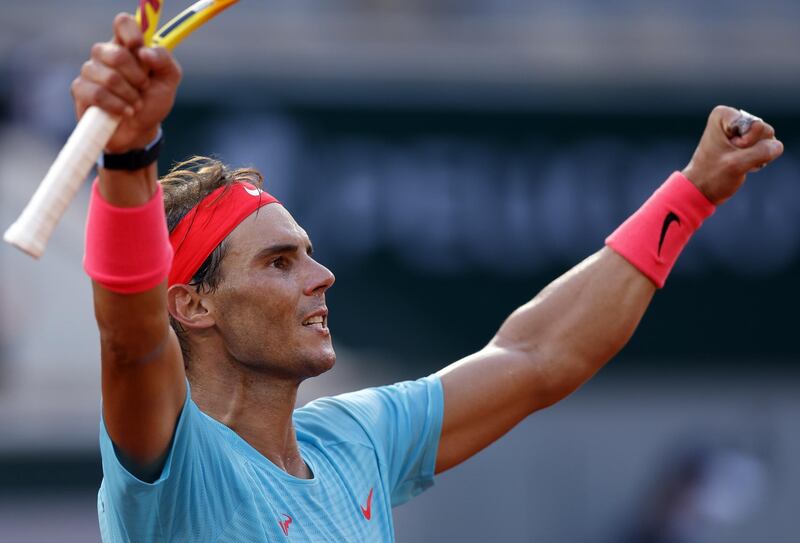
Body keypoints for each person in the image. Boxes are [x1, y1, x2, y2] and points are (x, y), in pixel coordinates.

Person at [72, 13, 784, 543]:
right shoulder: (175, 461)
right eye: (280, 261)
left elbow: (537, 356)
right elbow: (130, 336)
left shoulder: (355, 441)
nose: (322, 276)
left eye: (307, 251)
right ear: (194, 302)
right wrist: (131, 155)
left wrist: (692, 193)